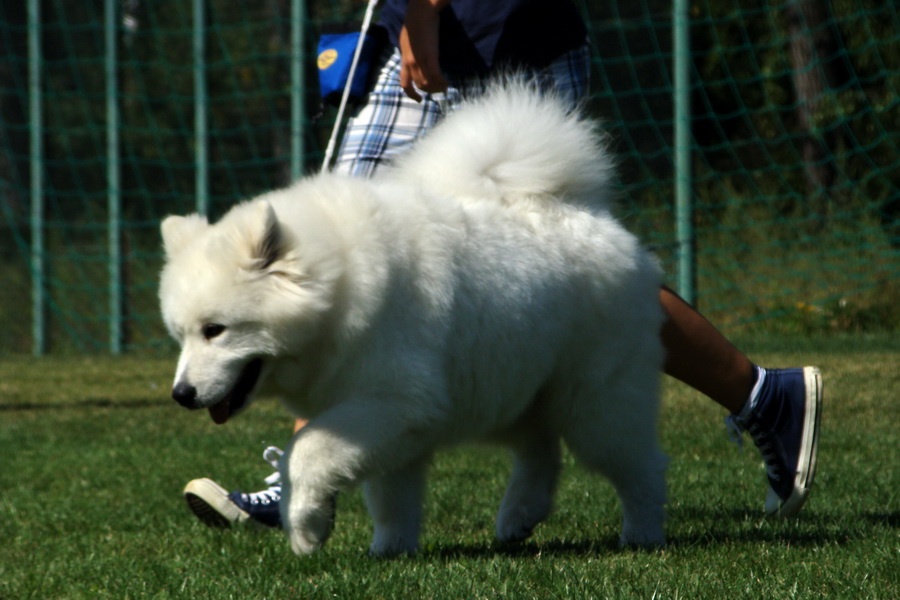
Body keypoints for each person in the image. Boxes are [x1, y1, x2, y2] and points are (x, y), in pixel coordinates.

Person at [183, 0, 822, 530]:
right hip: (411, 37)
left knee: (571, 262)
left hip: (506, 31)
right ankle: (305, 477)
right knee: (325, 255)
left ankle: (762, 396)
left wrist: (428, 10)